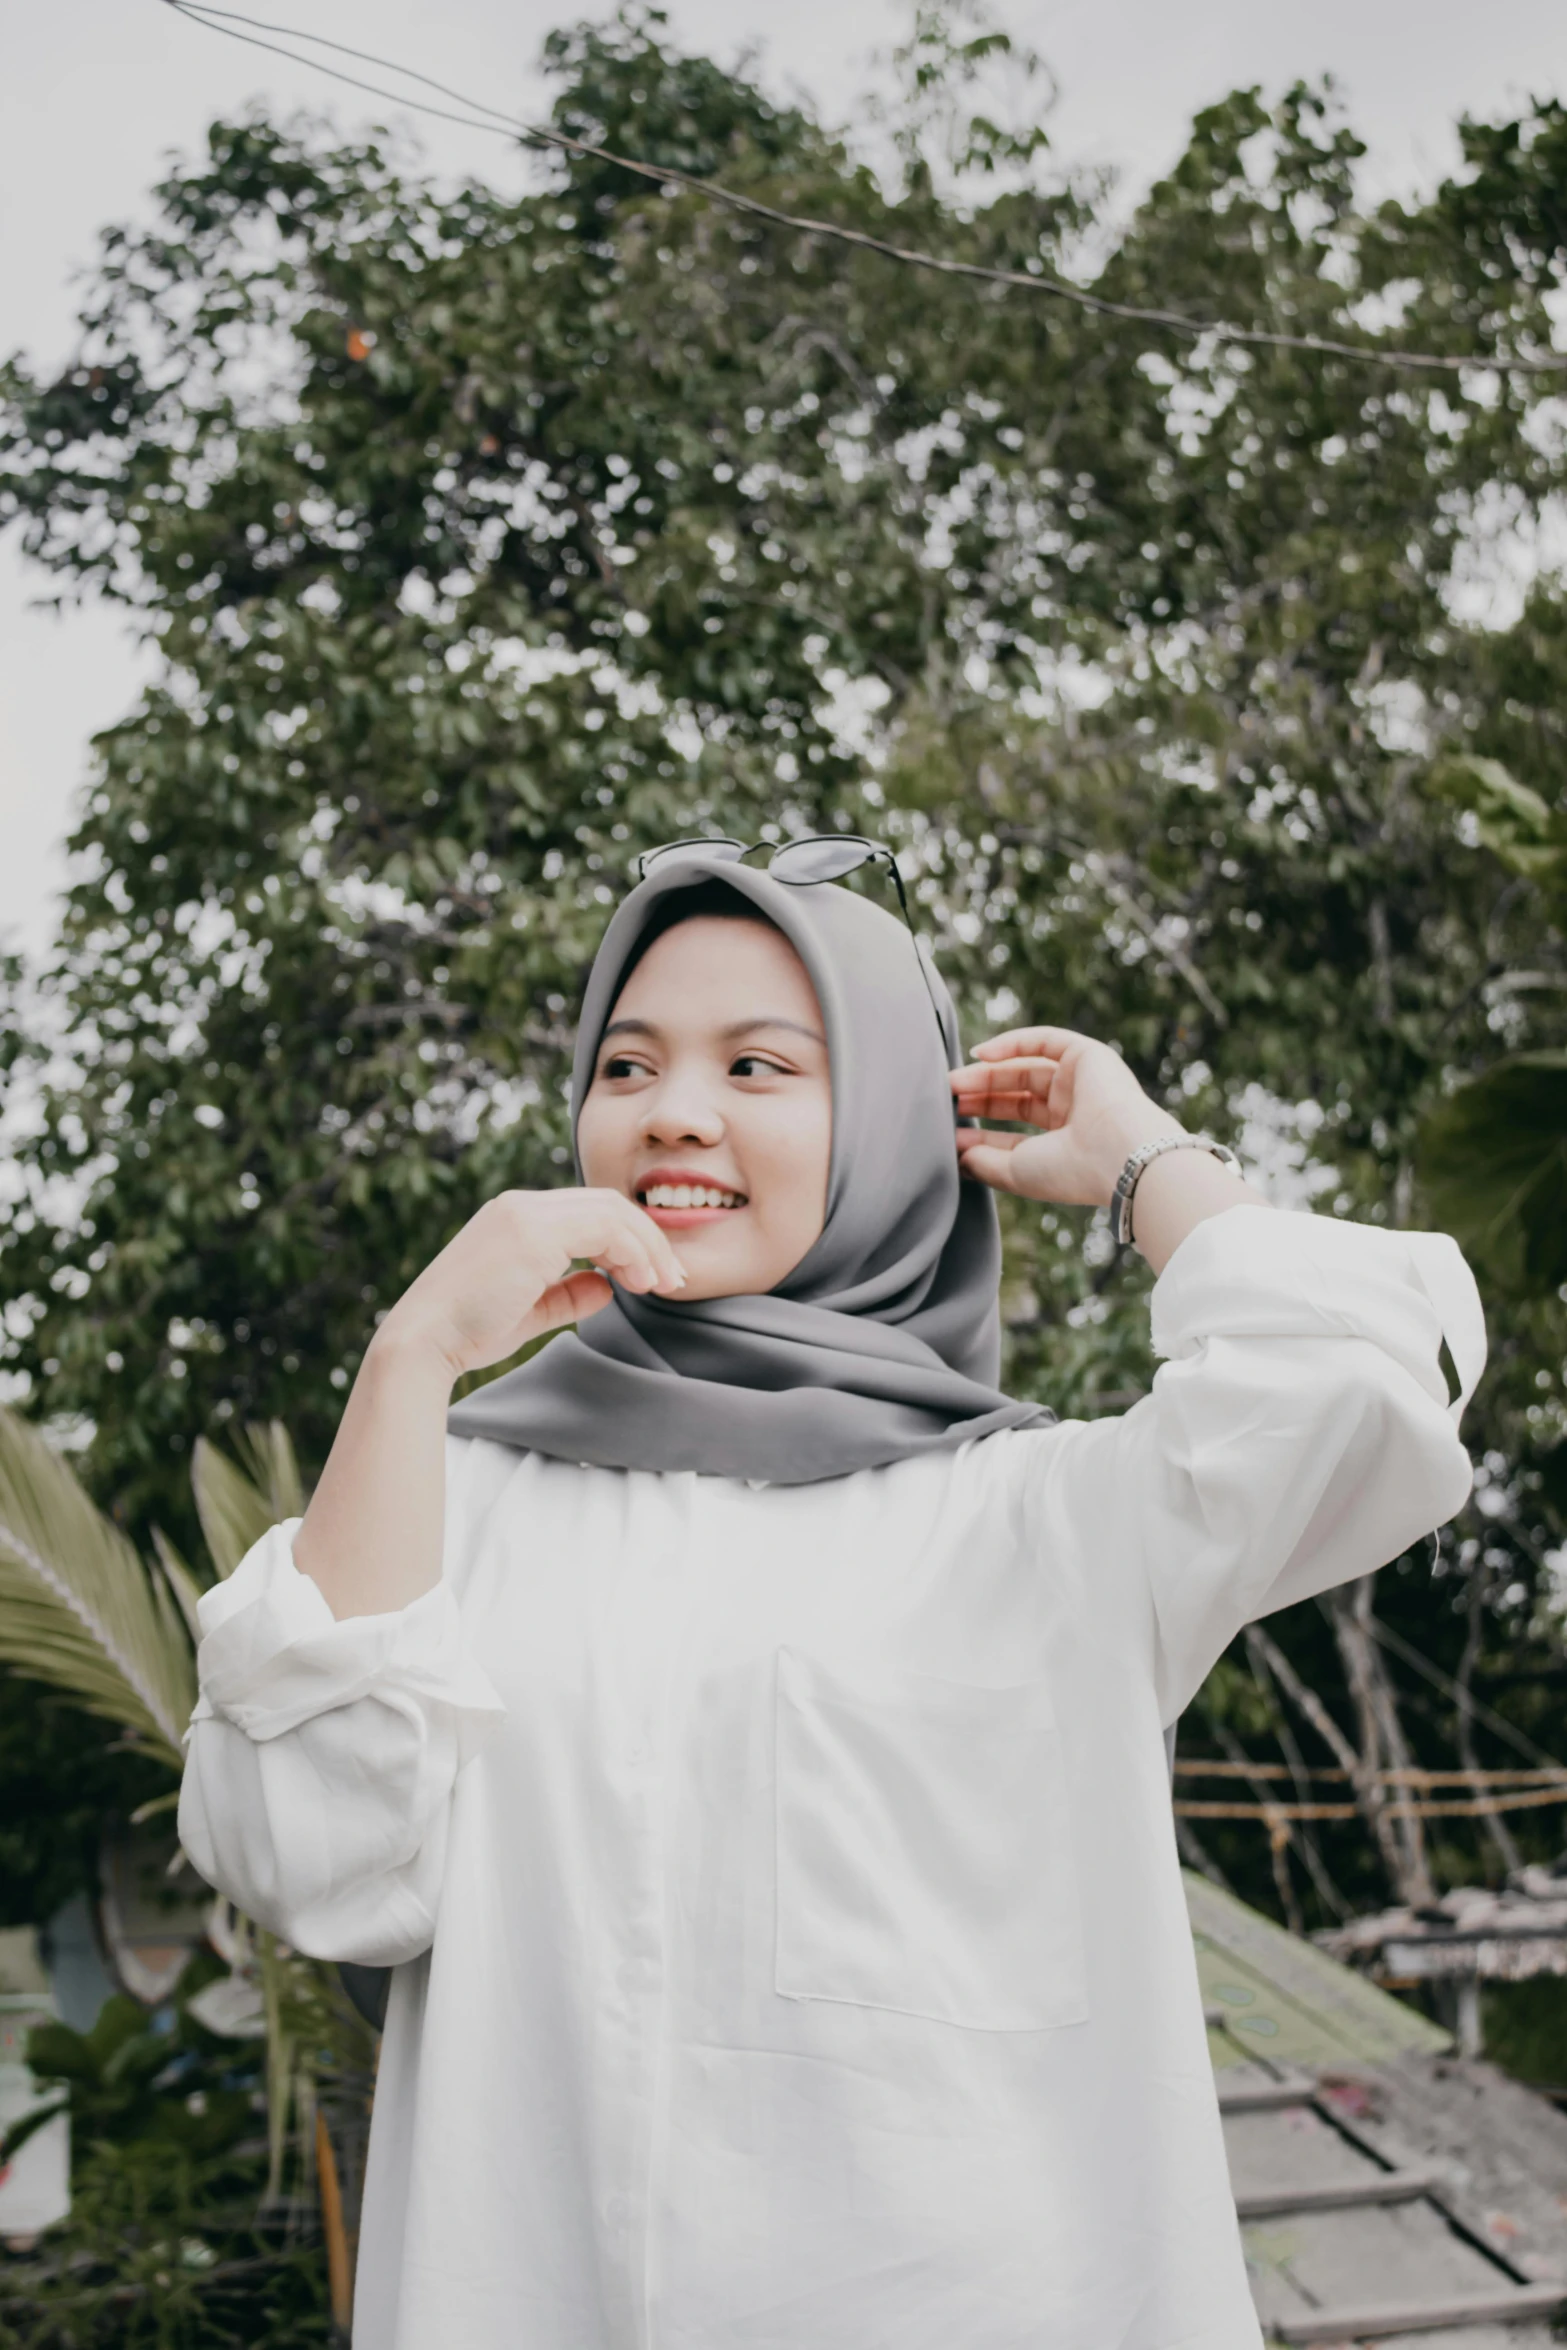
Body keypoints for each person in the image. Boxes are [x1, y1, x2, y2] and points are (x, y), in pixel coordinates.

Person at [178, 842, 1484, 2350]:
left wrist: (1145, 1162)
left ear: (881, 1124)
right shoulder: (462, 1505)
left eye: (758, 1065)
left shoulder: (1042, 1518)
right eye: (626, 1062)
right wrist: (409, 1356)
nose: (674, 1109)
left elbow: (1367, 1393)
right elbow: (309, 1855)